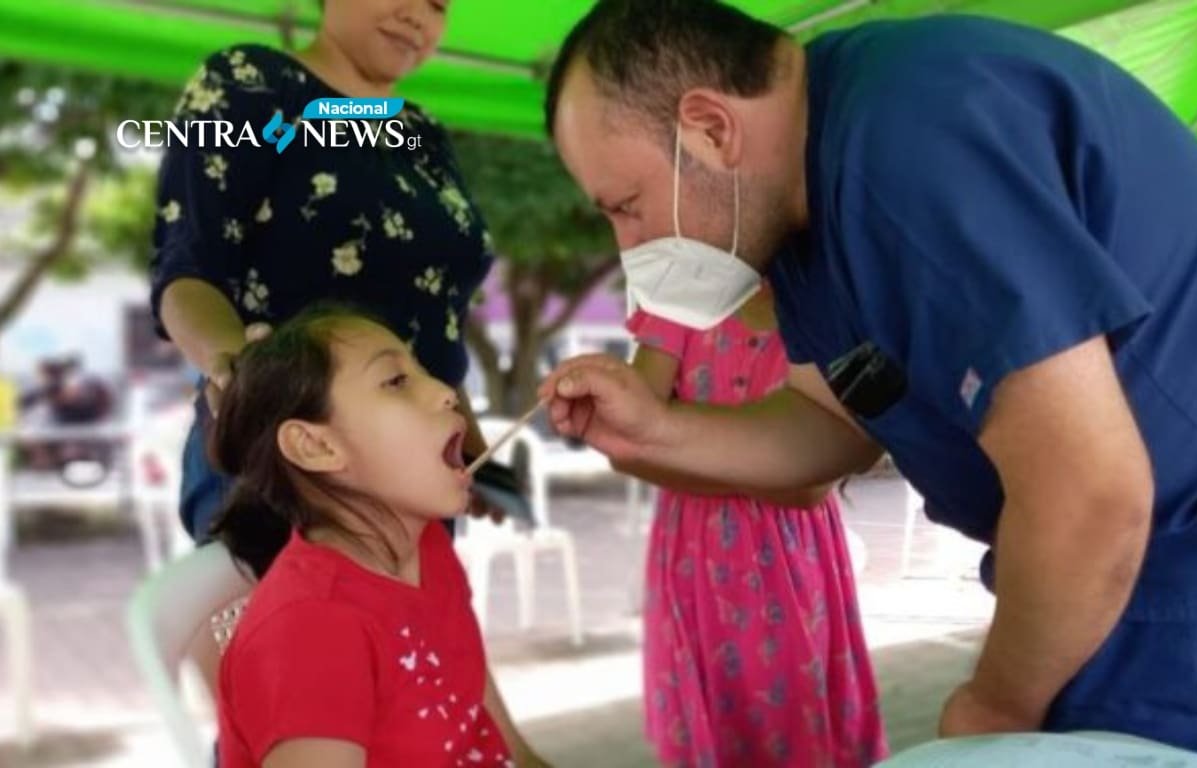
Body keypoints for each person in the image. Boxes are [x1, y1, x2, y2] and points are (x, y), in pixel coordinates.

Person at [537, 2, 1197, 766]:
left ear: (712, 128)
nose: (630, 245)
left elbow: (1091, 495)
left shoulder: (911, 149)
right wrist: (656, 430)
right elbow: (835, 421)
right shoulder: (803, 199)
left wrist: (993, 705)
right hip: (1105, 551)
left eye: (629, 205)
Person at [150, 0, 503, 550]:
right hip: (286, 458)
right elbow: (188, 269)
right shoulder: (254, 85)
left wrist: (471, 448)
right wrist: (244, 379)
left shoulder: (421, 135)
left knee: (408, 636)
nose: (418, 15)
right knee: (296, 633)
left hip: (415, 468)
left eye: (438, 5)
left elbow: (435, 321)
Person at [209, 304, 547, 768]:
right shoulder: (312, 631)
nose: (446, 393)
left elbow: (486, 716)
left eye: (423, 371)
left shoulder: (425, 546)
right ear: (317, 446)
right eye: (396, 381)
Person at [628, 283, 885, 767]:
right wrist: (766, 460)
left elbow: (809, 487)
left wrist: (677, 434)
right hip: (696, 562)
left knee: (796, 717)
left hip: (794, 560)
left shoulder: (821, 307)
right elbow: (628, 443)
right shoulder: (678, 300)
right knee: (711, 717)